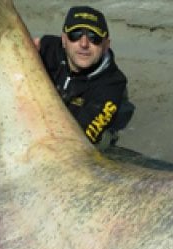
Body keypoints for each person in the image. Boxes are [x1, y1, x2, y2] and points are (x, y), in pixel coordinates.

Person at [34, 6, 134, 147]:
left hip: (81, 127)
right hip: (49, 116)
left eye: (94, 37)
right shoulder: (46, 49)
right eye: (75, 34)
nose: (84, 44)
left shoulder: (113, 84)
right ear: (64, 39)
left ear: (106, 45)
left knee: (98, 143)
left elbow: (80, 141)